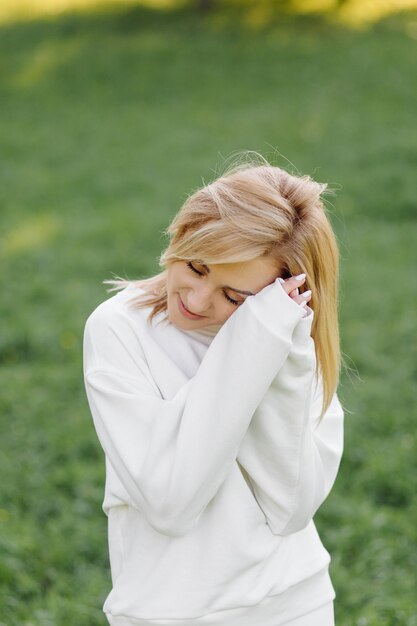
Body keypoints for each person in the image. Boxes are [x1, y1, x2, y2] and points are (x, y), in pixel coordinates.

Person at [82, 153, 345, 626]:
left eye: (235, 297)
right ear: (182, 234)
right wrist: (247, 344)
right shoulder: (121, 329)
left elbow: (291, 509)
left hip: (296, 604)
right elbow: (172, 502)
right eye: (197, 267)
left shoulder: (289, 338)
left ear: (284, 296)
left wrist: (278, 351)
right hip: (169, 612)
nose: (196, 301)